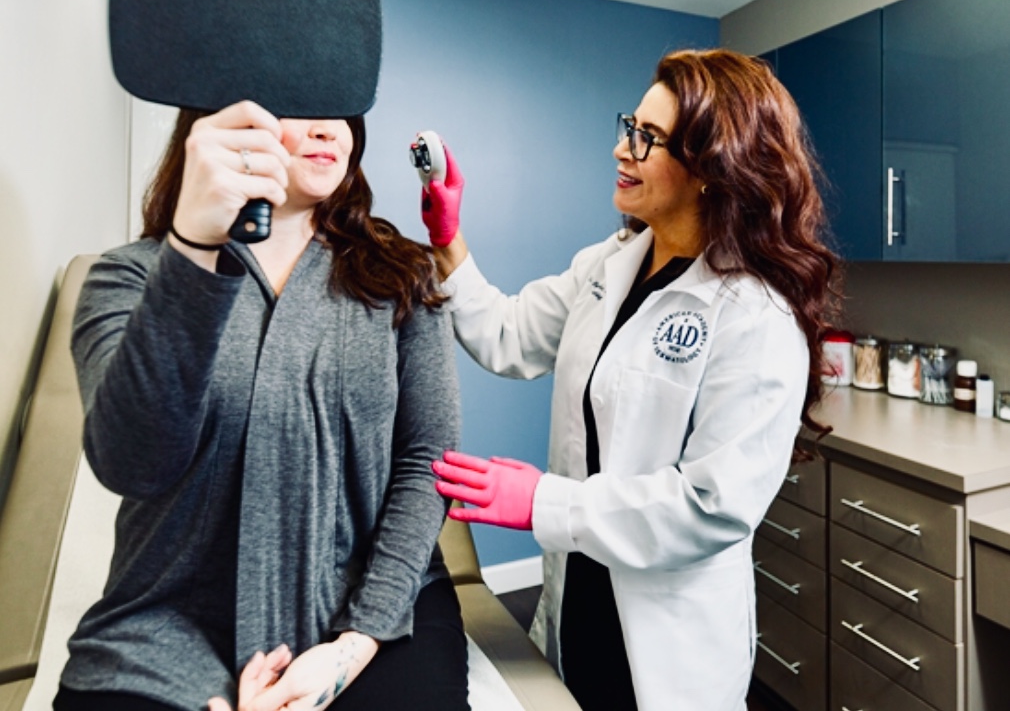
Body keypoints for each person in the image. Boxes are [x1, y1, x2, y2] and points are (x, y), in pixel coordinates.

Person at [427, 49, 839, 711]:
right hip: (581, 589)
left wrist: (542, 502)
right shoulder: (609, 263)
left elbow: (710, 507)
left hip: (666, 635)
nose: (622, 149)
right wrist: (447, 238)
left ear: (711, 167)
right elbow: (509, 335)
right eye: (630, 126)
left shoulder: (755, 314)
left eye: (648, 138)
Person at [56, 101, 469, 711]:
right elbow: (133, 464)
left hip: (368, 598)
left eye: (340, 109)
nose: (327, 128)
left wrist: (354, 645)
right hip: (173, 623)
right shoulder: (129, 279)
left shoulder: (402, 275)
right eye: (299, 107)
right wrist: (194, 246)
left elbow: (425, 459)